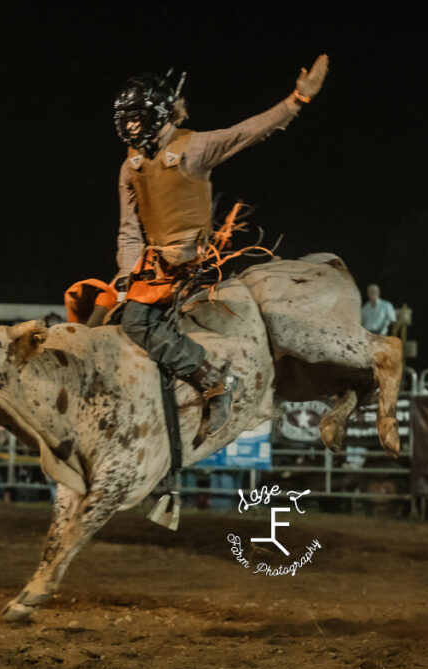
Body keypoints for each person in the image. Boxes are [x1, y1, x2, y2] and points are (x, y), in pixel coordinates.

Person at [112, 55, 329, 434]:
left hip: (193, 259)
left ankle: (213, 380)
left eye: (135, 116)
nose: (129, 125)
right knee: (107, 317)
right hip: (155, 266)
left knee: (136, 321)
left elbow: (245, 133)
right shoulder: (131, 165)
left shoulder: (191, 147)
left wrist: (297, 100)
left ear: (158, 114)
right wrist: (126, 275)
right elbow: (129, 229)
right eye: (125, 117)